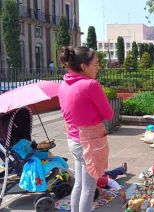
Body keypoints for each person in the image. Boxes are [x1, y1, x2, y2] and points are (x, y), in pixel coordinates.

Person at [58, 46, 114, 212]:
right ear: (83, 66)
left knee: (79, 184)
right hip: (89, 144)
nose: (98, 67)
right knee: (89, 189)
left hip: (73, 140)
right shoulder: (91, 85)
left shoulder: (63, 85)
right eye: (95, 64)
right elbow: (109, 114)